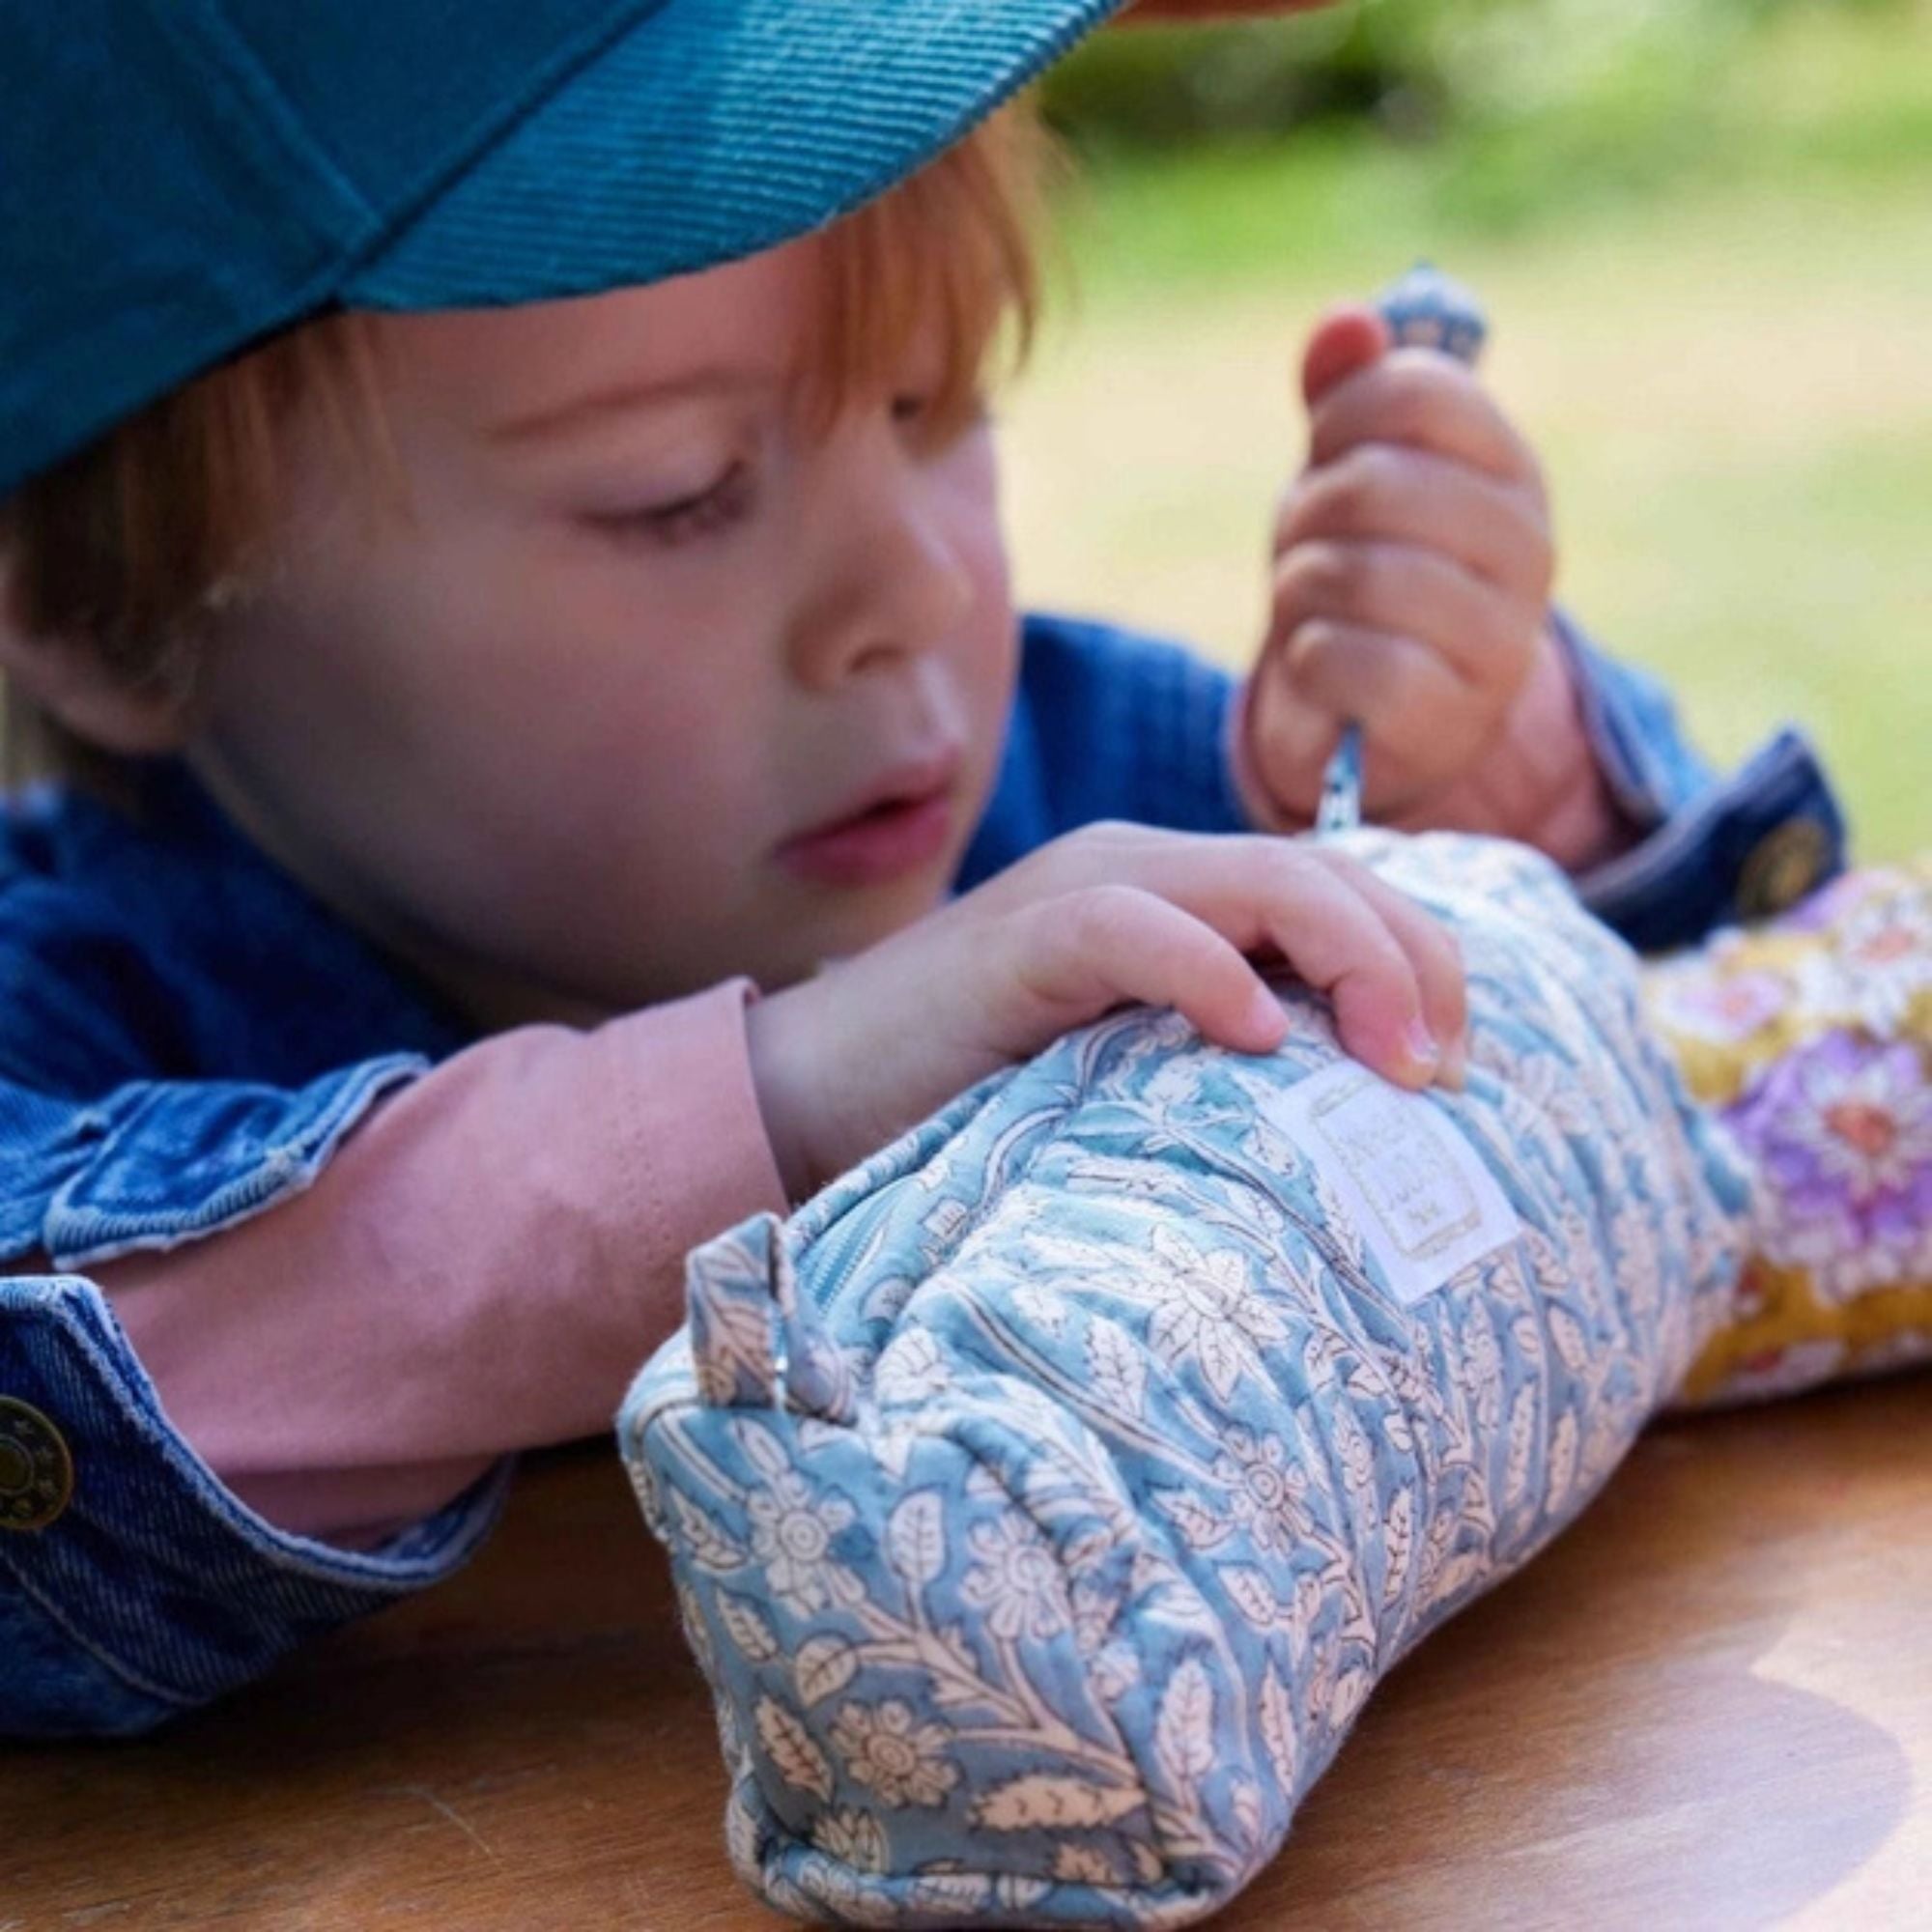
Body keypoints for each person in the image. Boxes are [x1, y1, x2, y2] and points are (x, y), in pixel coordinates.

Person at [0, 0, 1839, 1736]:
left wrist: (1490, 794)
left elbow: (1718, 1078)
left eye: (938, 404)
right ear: (104, 613)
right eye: (679, 489)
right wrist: (783, 1099)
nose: (922, 594)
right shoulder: (69, 1009)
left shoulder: (1092, 776)